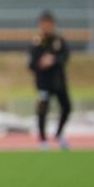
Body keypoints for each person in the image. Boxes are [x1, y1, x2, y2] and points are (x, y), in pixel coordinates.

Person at [28, 11, 71, 150]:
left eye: (49, 24)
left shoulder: (58, 41)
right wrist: (41, 63)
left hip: (58, 82)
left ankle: (58, 134)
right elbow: (31, 64)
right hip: (43, 83)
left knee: (67, 107)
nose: (46, 27)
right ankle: (42, 139)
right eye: (43, 24)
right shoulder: (36, 43)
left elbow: (65, 57)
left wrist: (53, 60)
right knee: (42, 110)